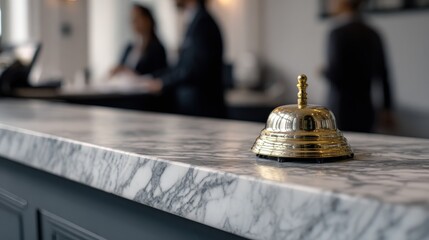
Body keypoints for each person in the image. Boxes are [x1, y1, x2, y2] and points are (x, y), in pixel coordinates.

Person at [141, 0, 226, 118]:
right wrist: (152, 78)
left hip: (202, 111)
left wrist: (163, 83)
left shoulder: (203, 23)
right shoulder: (195, 21)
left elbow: (194, 68)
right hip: (193, 109)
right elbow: (181, 65)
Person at [324, 0, 394, 133]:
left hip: (341, 108)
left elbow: (336, 74)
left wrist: (323, 72)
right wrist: (387, 108)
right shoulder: (373, 33)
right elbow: (384, 73)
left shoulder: (337, 34)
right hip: (366, 109)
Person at [111, 4, 167, 77]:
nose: (134, 22)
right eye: (132, 19)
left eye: (137, 18)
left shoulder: (157, 48)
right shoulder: (129, 47)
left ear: (148, 20)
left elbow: (160, 74)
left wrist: (133, 75)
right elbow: (121, 66)